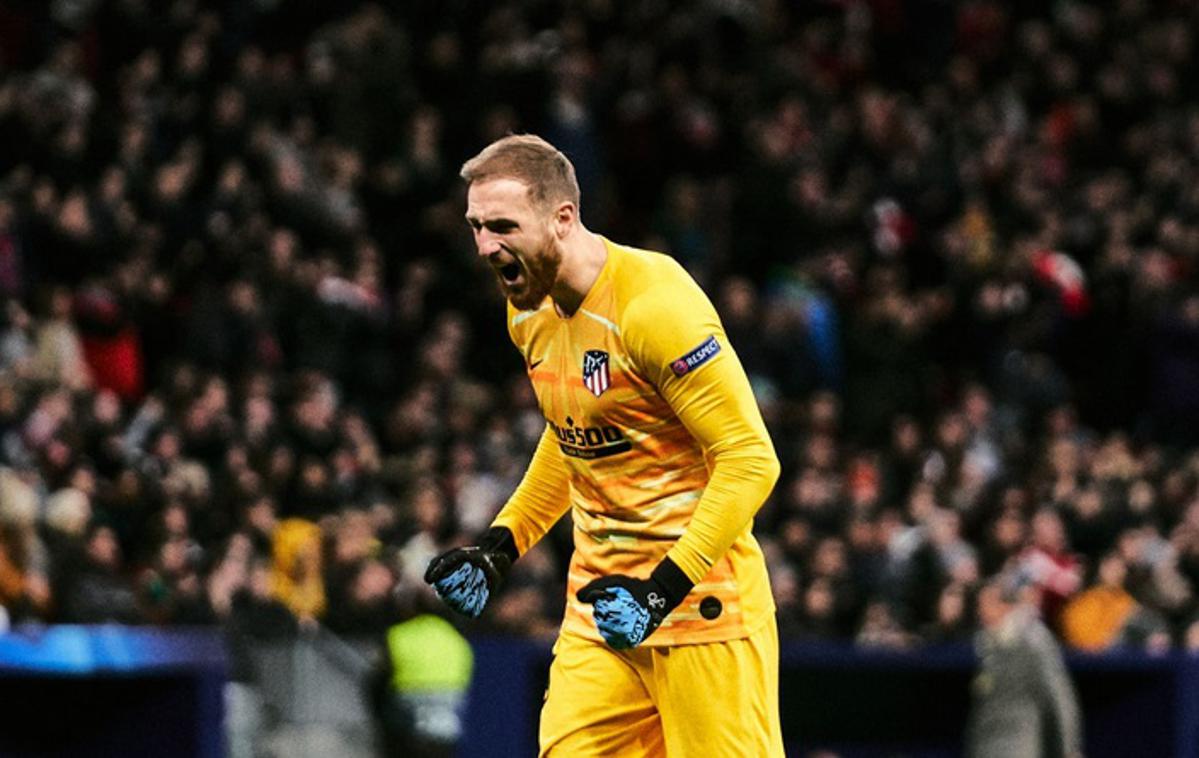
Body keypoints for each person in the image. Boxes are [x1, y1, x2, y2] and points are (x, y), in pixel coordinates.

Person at [424, 134, 783, 756]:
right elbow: (577, 434)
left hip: (701, 611)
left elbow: (752, 459)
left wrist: (661, 591)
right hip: (602, 612)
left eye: (503, 226)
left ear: (563, 219)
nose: (485, 246)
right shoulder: (528, 310)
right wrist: (500, 545)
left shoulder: (654, 307)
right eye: (476, 227)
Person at [965, 574, 1083, 758]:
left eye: (985, 604)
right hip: (984, 746)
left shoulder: (1033, 639)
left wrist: (1069, 748)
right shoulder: (983, 642)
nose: (979, 611)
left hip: (1020, 746)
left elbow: (1058, 695)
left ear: (1004, 605)